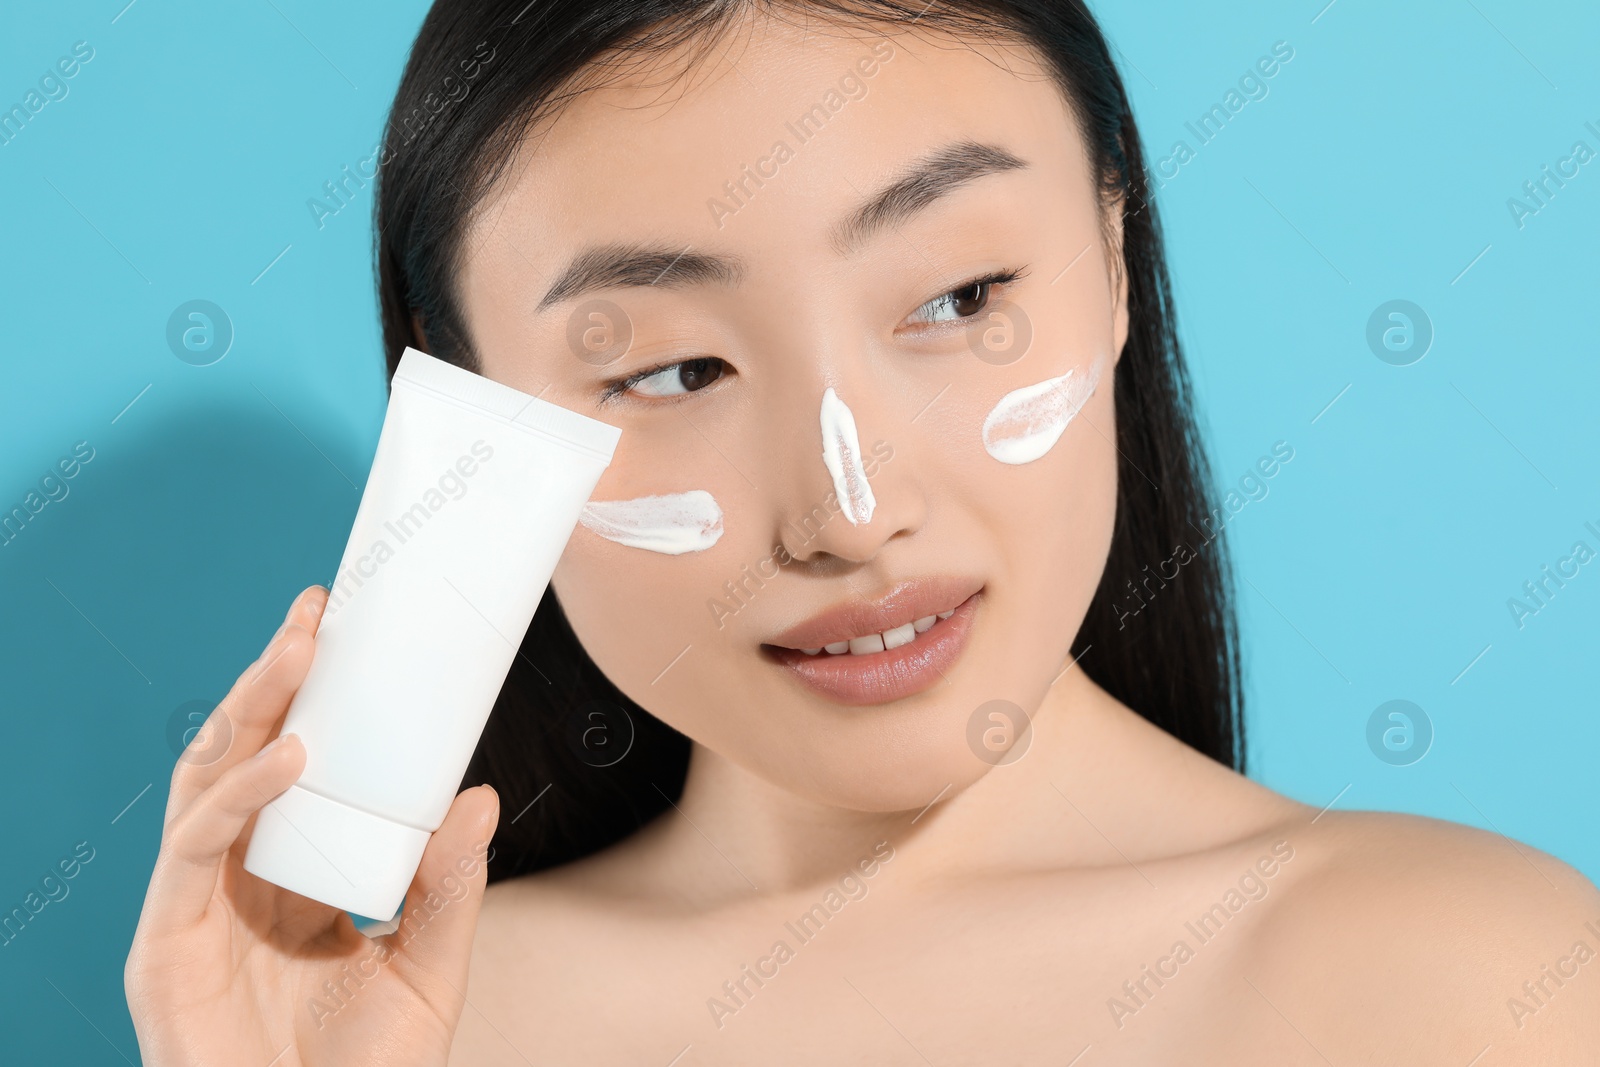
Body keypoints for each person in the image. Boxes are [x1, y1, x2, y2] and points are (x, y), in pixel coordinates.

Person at [126, 2, 1600, 1063]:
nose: (852, 513)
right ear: (464, 432)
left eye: (958, 298)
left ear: (1114, 259)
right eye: (672, 369)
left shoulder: (1481, 982)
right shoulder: (389, 1031)